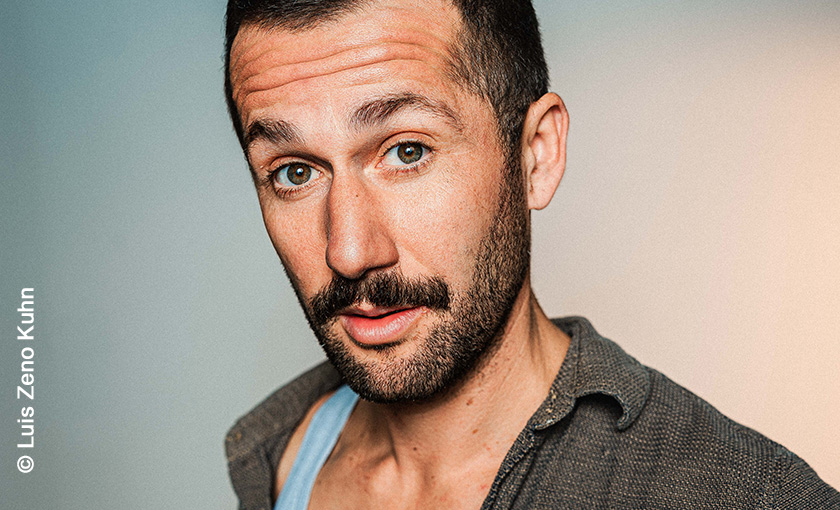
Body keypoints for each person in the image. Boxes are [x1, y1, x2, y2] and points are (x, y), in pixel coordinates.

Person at [222, 0, 840, 508]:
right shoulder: (283, 456)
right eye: (295, 172)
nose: (350, 252)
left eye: (408, 151)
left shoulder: (740, 496)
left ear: (536, 154)